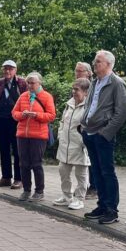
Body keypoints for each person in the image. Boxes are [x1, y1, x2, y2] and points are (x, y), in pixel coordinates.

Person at [80, 50, 126, 225]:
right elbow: (90, 104)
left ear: (109, 64)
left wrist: (106, 133)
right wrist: (83, 125)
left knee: (107, 172)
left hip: (103, 134)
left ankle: (111, 210)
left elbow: (122, 111)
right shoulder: (95, 82)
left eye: (98, 61)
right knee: (97, 171)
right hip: (90, 132)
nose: (95, 64)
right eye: (95, 61)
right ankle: (101, 205)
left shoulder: (117, 83)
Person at [11, 72, 56, 201]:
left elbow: (51, 115)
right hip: (22, 135)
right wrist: (22, 115)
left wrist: (36, 115)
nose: (30, 85)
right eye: (28, 83)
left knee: (36, 164)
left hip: (38, 136)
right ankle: (26, 190)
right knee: (23, 164)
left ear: (39, 83)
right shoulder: (23, 96)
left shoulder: (47, 97)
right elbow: (14, 112)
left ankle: (39, 191)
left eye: (32, 83)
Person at [0, 60, 27, 190]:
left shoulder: (22, 83)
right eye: (5, 69)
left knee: (17, 150)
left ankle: (18, 179)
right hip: (2, 119)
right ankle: (6, 177)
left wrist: (22, 115)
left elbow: (27, 99)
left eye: (10, 69)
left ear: (15, 70)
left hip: (17, 121)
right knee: (4, 149)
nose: (7, 71)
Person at [53, 78, 91, 210]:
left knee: (81, 175)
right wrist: (60, 135)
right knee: (63, 170)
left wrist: (85, 142)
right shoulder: (68, 104)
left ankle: (79, 199)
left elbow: (89, 126)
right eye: (73, 89)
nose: (73, 92)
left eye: (77, 89)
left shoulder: (89, 106)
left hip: (80, 146)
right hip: (65, 145)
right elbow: (63, 122)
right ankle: (66, 196)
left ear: (86, 92)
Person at [75, 61, 98, 199]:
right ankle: (82, 186)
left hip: (90, 128)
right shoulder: (75, 87)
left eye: (80, 71)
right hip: (77, 129)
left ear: (88, 73)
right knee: (81, 159)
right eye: (76, 71)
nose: (77, 73)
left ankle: (94, 187)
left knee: (92, 159)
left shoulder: (93, 87)